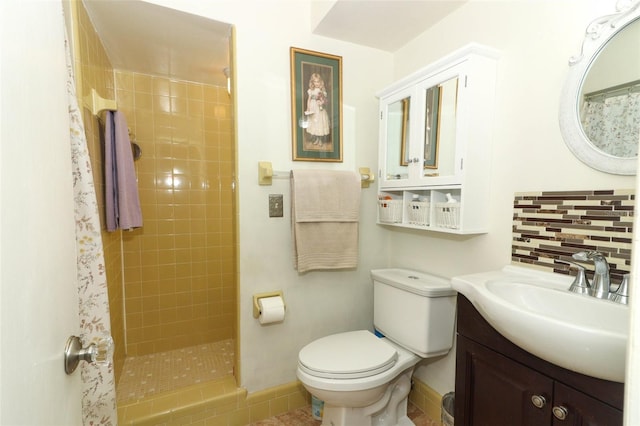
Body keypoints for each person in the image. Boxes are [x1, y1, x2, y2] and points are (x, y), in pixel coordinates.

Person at [304, 72, 330, 145]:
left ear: (320, 82)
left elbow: (324, 100)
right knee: (314, 122)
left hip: (319, 109)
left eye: (318, 82)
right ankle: (316, 139)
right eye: (314, 82)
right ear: (312, 82)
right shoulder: (311, 90)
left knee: (319, 122)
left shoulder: (322, 90)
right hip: (313, 108)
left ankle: (320, 140)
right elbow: (309, 99)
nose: (316, 83)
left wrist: (321, 102)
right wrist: (308, 107)